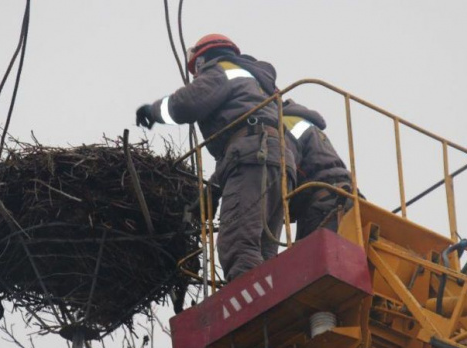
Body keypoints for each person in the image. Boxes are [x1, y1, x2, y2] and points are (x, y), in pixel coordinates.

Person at [135, 34, 298, 281]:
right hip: (280, 162)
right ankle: (270, 303)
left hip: (254, 156)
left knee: (238, 243)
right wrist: (211, 192)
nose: (196, 75)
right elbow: (237, 152)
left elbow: (184, 105)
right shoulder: (260, 84)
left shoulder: (220, 71)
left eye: (196, 70)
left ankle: (250, 309)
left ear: (201, 60)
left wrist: (153, 111)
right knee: (264, 250)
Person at [281, 99, 355, 240]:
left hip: (324, 205)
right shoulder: (307, 124)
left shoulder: (285, 124)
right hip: (345, 198)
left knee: (310, 259)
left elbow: (284, 169)